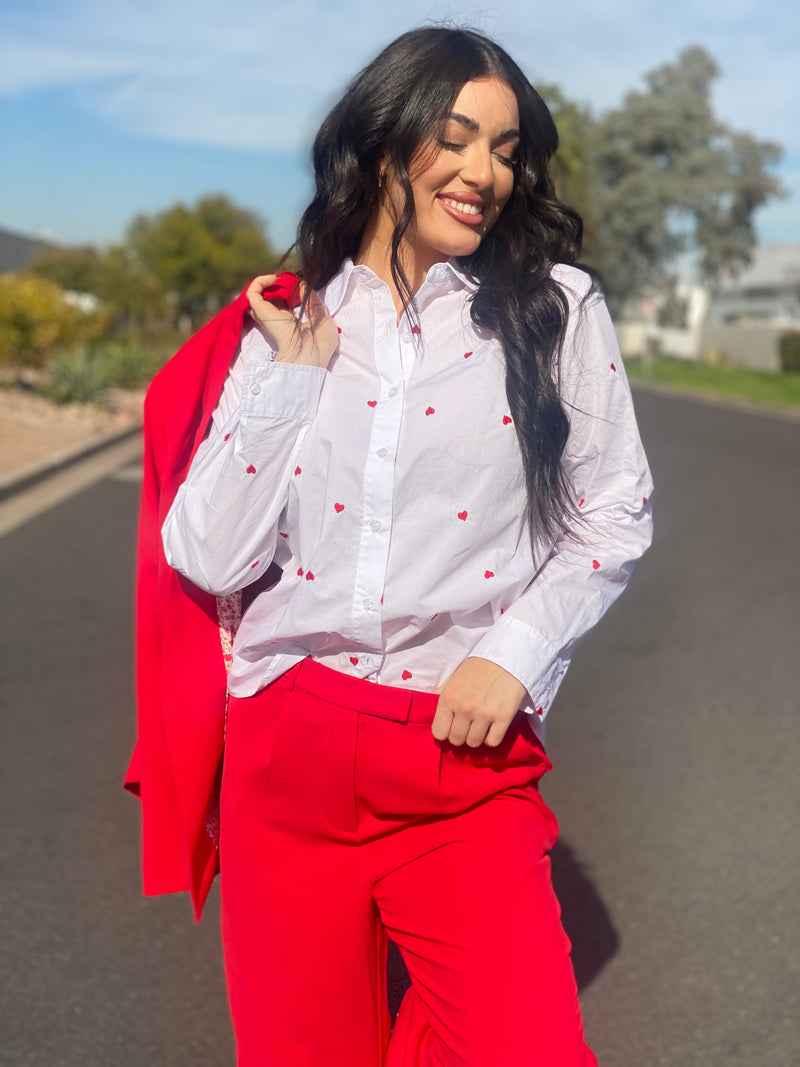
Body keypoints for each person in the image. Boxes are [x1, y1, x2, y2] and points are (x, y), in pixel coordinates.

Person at [149, 24, 653, 1067]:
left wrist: (510, 653)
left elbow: (612, 513)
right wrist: (290, 379)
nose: (484, 172)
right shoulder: (286, 322)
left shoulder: (555, 311)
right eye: (456, 138)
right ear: (383, 146)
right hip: (286, 755)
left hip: (458, 758)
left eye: (506, 149)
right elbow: (206, 553)